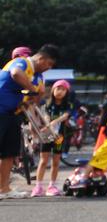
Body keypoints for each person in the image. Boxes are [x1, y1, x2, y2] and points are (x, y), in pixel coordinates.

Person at [0, 43, 58, 199]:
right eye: (49, 64)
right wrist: (32, 89)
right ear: (41, 58)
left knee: (9, 153)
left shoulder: (36, 75)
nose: (49, 68)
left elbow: (31, 99)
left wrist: (33, 97)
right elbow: (16, 73)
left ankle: (4, 189)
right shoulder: (23, 62)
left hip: (13, 114)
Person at [32, 79, 77, 196]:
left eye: (63, 89)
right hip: (47, 135)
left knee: (56, 161)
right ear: (53, 90)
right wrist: (48, 122)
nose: (60, 92)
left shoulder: (68, 105)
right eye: (58, 88)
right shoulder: (46, 103)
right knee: (43, 161)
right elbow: (45, 115)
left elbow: (65, 116)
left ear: (67, 92)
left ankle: (52, 186)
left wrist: (54, 122)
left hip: (59, 137)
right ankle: (38, 186)